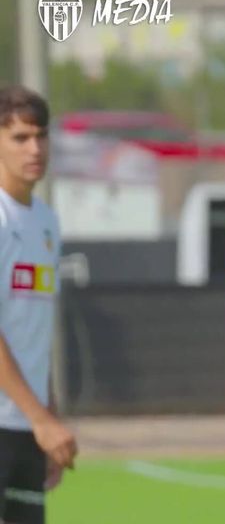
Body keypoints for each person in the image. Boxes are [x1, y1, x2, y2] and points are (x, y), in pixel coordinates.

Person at [0, 85, 77, 524]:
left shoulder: (46, 221)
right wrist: (41, 420)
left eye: (42, 136)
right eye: (20, 137)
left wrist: (46, 416)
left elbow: (34, 328)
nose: (35, 148)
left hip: (26, 427)